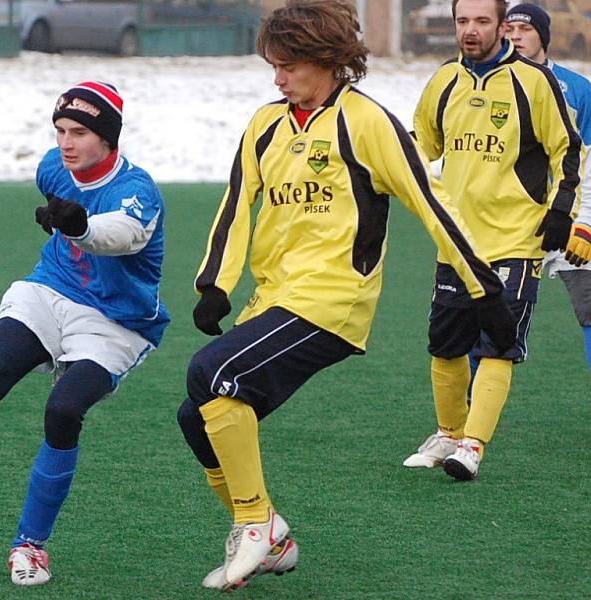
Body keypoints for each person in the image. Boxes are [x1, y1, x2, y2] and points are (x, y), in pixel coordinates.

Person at [176, 0, 516, 591]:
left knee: (213, 374)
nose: (277, 78)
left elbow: (432, 206)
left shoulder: (366, 121)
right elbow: (236, 206)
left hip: (334, 300)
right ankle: (271, 536)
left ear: (328, 60)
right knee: (195, 417)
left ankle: (255, 523)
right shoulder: (266, 124)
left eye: (287, 65)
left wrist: (483, 287)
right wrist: (215, 284)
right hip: (275, 298)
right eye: (272, 66)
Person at [0, 81, 170, 586]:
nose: (67, 143)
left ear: (109, 138)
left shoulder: (138, 192)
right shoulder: (52, 166)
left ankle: (30, 545)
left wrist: (80, 224)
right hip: (48, 291)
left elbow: (119, 236)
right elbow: (57, 190)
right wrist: (66, 217)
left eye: (80, 132)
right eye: (60, 130)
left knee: (63, 410)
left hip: (115, 323)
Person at [403, 0, 583, 481]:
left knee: (499, 344)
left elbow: (568, 147)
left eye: (482, 21)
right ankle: (448, 432)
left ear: (502, 26)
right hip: (456, 241)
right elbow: (422, 143)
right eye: (462, 21)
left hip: (514, 238)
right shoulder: (444, 80)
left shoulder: (534, 82)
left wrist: (563, 210)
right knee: (444, 346)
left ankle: (473, 446)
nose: (470, 30)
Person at [505, 3, 591, 368]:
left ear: (544, 36)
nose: (515, 37)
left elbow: (589, 161)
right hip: (511, 224)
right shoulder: (492, 87)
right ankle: (469, 417)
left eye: (524, 30)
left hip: (570, 218)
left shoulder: (578, 89)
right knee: (492, 322)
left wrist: (586, 223)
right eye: (508, 30)